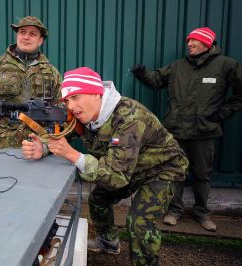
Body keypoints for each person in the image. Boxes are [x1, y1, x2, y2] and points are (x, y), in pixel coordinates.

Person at [22, 67, 188, 265]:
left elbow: (116, 176)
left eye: (76, 97)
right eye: (67, 100)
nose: (71, 106)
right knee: (99, 198)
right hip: (129, 167)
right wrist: (42, 146)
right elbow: (62, 135)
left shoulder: (129, 118)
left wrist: (72, 154)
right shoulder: (86, 115)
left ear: (95, 93)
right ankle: (108, 242)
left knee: (139, 223)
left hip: (162, 170)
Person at [131, 27, 242, 232]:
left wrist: (223, 113)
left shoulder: (226, 65)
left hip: (204, 132)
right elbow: (156, 81)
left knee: (202, 174)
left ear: (207, 43)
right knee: (176, 173)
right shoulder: (178, 66)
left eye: (194, 41)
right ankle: (174, 211)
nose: (189, 45)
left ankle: (203, 213)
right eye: (188, 41)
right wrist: (142, 73)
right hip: (176, 131)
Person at [0, 16, 62, 158]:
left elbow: (61, 112)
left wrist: (45, 145)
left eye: (32, 34)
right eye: (22, 32)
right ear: (17, 35)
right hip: (1, 145)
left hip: (36, 149)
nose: (26, 37)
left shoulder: (51, 73)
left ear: (40, 40)